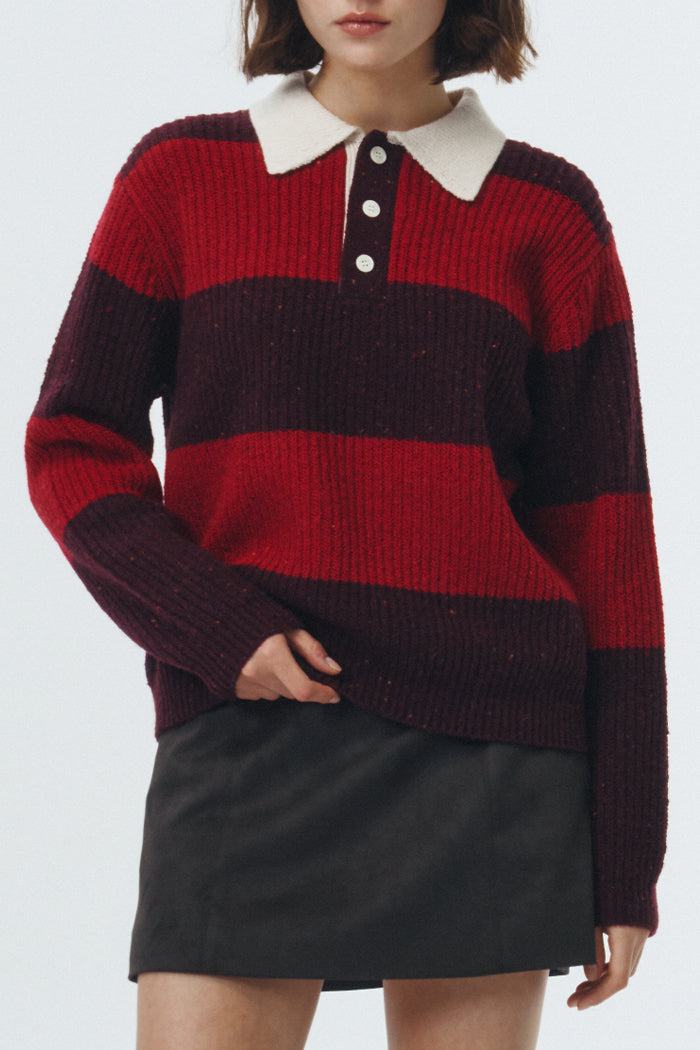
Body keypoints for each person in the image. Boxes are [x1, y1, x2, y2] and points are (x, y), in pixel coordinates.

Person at [25, 1, 668, 1047]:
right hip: (245, 731)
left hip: (494, 757)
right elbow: (72, 442)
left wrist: (628, 851)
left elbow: (607, 538)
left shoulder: (548, 213)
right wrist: (210, 625)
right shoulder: (180, 177)